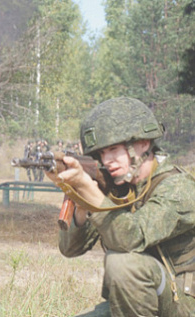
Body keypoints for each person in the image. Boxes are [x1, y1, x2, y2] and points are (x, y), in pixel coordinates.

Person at [45, 97, 194, 316]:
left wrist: (90, 190)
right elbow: (70, 249)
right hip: (146, 300)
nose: (107, 161)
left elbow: (131, 237)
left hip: (183, 304)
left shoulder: (179, 188)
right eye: (101, 154)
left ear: (143, 143)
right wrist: (81, 203)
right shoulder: (121, 187)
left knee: (122, 262)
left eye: (114, 149)